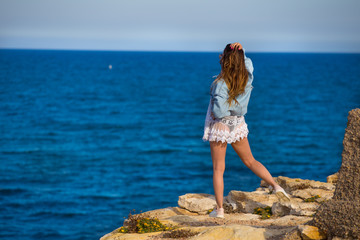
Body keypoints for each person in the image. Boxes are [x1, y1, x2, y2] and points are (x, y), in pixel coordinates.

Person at [202, 42, 291, 219]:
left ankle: (219, 210)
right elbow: (249, 64)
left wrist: (218, 107)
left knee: (218, 169)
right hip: (238, 123)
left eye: (222, 55)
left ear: (225, 60)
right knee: (250, 160)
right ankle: (276, 186)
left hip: (221, 126)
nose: (219, 56)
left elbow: (219, 112)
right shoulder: (246, 77)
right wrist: (241, 51)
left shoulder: (221, 83)